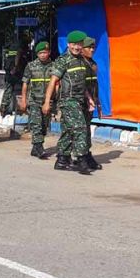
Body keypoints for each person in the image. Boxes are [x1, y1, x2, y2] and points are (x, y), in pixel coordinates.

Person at [45, 30, 97, 173]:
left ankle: (62, 160)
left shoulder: (81, 61)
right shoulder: (63, 60)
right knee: (80, 127)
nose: (76, 47)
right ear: (68, 44)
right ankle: (81, 160)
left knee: (69, 130)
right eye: (73, 44)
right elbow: (53, 81)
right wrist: (46, 102)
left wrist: (89, 98)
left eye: (79, 44)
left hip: (80, 100)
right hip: (67, 100)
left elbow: (82, 83)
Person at [20, 41, 54, 159]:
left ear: (49, 52)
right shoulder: (31, 66)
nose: (43, 55)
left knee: (44, 125)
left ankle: (35, 148)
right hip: (34, 100)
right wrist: (23, 100)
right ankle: (39, 148)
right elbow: (25, 84)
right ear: (37, 54)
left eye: (45, 52)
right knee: (36, 124)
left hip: (48, 101)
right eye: (40, 53)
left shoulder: (54, 66)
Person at [80, 36, 102, 169]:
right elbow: (79, 84)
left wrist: (97, 101)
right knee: (81, 129)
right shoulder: (79, 63)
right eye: (89, 47)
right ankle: (78, 156)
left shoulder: (93, 64)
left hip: (90, 102)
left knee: (86, 128)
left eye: (93, 47)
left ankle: (86, 154)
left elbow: (95, 84)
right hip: (80, 100)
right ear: (82, 49)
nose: (92, 50)